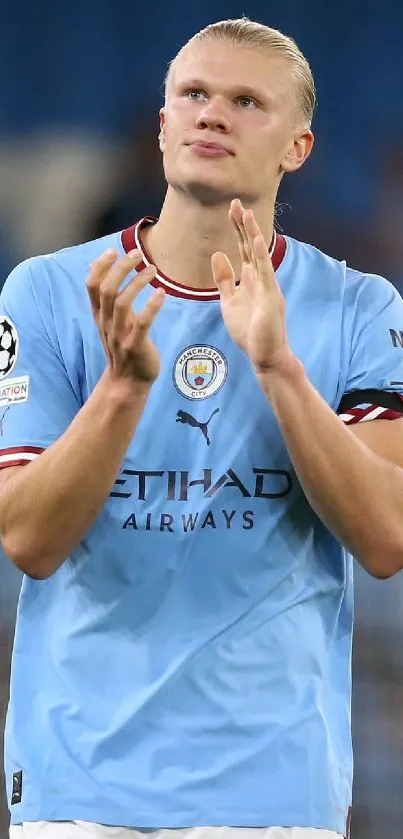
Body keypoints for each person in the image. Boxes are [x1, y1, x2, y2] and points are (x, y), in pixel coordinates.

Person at [1, 16, 403, 839]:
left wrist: (279, 366)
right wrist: (121, 390)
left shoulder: (361, 308)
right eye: (192, 94)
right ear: (162, 126)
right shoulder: (45, 293)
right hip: (80, 785)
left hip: (273, 793)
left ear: (298, 146)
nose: (211, 114)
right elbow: (28, 539)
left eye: (246, 100)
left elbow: (385, 536)